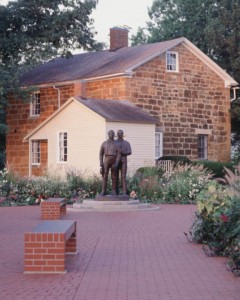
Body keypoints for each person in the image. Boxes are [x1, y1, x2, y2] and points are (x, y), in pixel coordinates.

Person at [99, 130, 118, 196]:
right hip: (106, 159)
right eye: (110, 133)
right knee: (105, 175)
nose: (112, 134)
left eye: (113, 133)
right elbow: (101, 154)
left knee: (114, 176)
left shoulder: (117, 143)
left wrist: (117, 162)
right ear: (108, 134)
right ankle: (103, 191)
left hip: (114, 159)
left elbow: (119, 153)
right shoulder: (104, 143)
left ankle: (114, 191)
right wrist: (101, 162)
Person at [115, 129, 132, 195]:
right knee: (115, 176)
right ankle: (115, 191)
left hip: (123, 162)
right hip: (116, 161)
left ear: (122, 134)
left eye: (121, 133)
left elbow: (130, 152)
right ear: (117, 134)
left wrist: (123, 152)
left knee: (123, 176)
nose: (120, 134)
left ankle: (124, 191)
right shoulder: (114, 143)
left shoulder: (126, 143)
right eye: (118, 133)